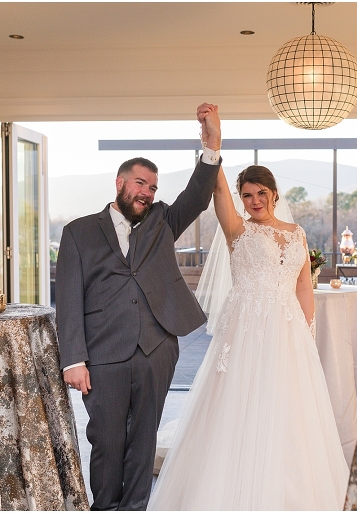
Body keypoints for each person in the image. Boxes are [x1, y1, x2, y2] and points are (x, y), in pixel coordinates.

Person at [148, 164, 349, 510]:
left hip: (289, 334)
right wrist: (213, 149)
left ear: (274, 194)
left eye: (261, 193)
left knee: (290, 409)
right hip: (246, 332)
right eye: (247, 195)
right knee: (239, 403)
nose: (255, 201)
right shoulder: (238, 230)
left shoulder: (297, 233)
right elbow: (218, 190)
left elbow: (303, 285)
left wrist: (308, 332)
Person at [55, 103, 222, 510]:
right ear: (120, 183)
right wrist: (73, 359)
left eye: (152, 188)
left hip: (156, 349)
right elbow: (69, 300)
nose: (147, 192)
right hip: (103, 354)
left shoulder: (162, 221)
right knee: (106, 441)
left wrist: (211, 145)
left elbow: (198, 196)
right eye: (140, 183)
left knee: (144, 442)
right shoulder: (78, 232)